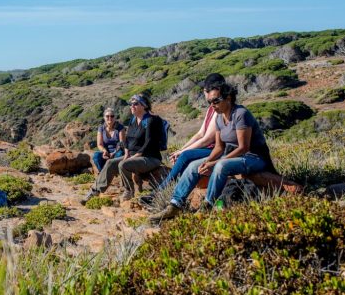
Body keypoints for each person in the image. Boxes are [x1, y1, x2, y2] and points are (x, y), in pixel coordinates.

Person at [149, 83, 277, 223]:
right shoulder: (219, 117)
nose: (212, 105)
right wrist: (208, 161)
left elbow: (243, 148)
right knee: (194, 166)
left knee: (221, 165)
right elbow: (218, 147)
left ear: (228, 98)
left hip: (254, 157)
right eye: (209, 102)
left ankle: (208, 205)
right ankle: (175, 204)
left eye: (216, 101)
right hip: (233, 156)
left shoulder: (241, 114)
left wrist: (215, 163)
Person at [140, 73, 225, 205]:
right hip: (209, 148)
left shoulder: (219, 109)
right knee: (184, 155)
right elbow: (200, 133)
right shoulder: (211, 109)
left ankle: (159, 193)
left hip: (216, 150)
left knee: (185, 157)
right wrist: (181, 149)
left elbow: (207, 139)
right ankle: (170, 195)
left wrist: (182, 152)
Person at [82, 93, 165, 204]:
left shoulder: (151, 120)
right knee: (111, 163)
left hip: (150, 158)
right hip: (133, 156)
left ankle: (129, 191)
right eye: (131, 104)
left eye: (135, 104)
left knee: (123, 164)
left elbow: (149, 142)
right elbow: (127, 140)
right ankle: (94, 191)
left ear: (144, 106)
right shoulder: (133, 120)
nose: (132, 106)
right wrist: (126, 153)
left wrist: (136, 155)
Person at [92, 107, 126, 172]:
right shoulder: (101, 128)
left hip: (117, 151)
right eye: (107, 116)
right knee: (96, 156)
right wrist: (104, 151)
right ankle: (103, 172)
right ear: (104, 117)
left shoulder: (120, 128)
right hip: (106, 151)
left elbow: (122, 143)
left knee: (119, 155)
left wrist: (114, 152)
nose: (110, 118)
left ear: (115, 118)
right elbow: (99, 144)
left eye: (112, 116)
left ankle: (115, 172)